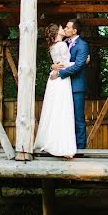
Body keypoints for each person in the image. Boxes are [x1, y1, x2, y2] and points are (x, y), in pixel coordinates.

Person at [33, 24, 76, 158]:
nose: (63, 29)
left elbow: (57, 64)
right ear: (57, 31)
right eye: (61, 28)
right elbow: (65, 65)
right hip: (61, 79)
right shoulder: (62, 45)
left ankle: (49, 140)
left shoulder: (52, 46)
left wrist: (53, 67)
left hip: (53, 78)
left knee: (52, 110)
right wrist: (81, 62)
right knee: (62, 109)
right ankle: (60, 145)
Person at [52, 18, 88, 149]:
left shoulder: (82, 45)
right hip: (63, 86)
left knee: (78, 118)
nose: (65, 29)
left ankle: (80, 149)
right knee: (65, 117)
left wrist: (60, 73)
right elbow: (59, 60)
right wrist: (53, 66)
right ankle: (67, 146)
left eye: (68, 27)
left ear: (75, 30)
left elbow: (78, 65)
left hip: (76, 86)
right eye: (65, 27)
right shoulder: (64, 43)